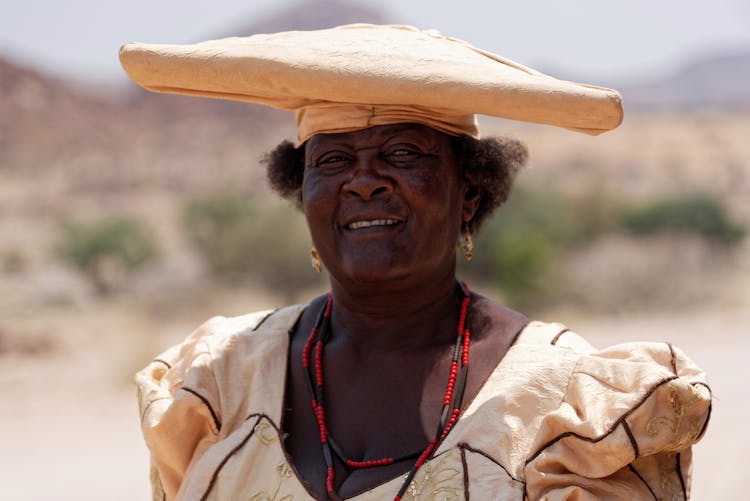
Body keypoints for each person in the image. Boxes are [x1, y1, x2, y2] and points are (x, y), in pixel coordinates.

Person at [121, 24, 711, 500]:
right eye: (332, 161)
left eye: (403, 153)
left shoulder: (562, 402)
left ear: (470, 195)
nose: (365, 183)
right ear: (301, 195)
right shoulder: (219, 382)